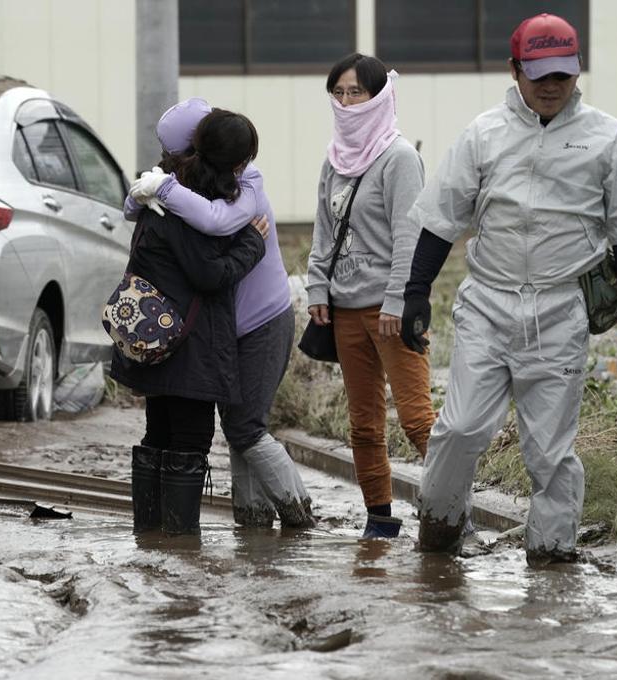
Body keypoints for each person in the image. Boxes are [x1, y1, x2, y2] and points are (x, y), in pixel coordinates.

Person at [400, 13, 617, 566]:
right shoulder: (484, 133)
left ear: (576, 74)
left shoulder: (607, 138)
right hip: (489, 303)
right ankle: (440, 535)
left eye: (562, 77)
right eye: (539, 75)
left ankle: (552, 558)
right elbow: (441, 219)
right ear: (515, 70)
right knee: (459, 429)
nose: (550, 87)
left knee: (549, 450)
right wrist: (416, 293)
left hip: (559, 307)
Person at [126, 98, 315, 529]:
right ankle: (250, 523)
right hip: (195, 333)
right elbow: (209, 265)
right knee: (226, 430)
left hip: (253, 321)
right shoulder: (179, 196)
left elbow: (213, 224)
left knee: (243, 427)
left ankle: (290, 518)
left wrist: (156, 190)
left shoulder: (235, 186)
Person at [110, 109, 268, 536]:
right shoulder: (190, 208)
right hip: (188, 345)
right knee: (189, 440)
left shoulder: (163, 189)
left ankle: (151, 537)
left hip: (159, 337)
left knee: (159, 434)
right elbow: (209, 275)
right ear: (234, 164)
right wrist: (253, 243)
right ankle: (178, 547)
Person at [305, 53, 435, 539]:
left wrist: (399, 301)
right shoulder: (334, 158)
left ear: (378, 96)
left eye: (355, 91)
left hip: (390, 312)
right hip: (344, 311)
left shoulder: (399, 158)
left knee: (419, 422)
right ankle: (380, 518)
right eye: (337, 92)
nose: (345, 101)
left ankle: (450, 510)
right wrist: (318, 286)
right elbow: (323, 229)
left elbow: (411, 236)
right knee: (363, 425)